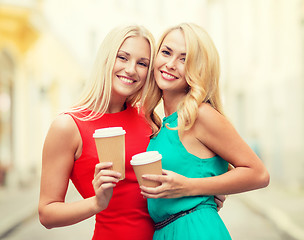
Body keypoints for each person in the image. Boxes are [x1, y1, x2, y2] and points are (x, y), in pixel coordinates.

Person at [140, 23, 270, 240]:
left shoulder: (200, 115)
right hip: (167, 230)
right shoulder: (163, 123)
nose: (171, 64)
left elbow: (258, 173)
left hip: (194, 230)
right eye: (166, 52)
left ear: (198, 68)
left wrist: (189, 187)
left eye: (184, 59)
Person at [38, 25, 157, 240]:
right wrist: (96, 203)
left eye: (142, 63)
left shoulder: (149, 119)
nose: (131, 69)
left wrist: (198, 193)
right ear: (106, 59)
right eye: (123, 57)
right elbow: (47, 213)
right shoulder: (69, 126)